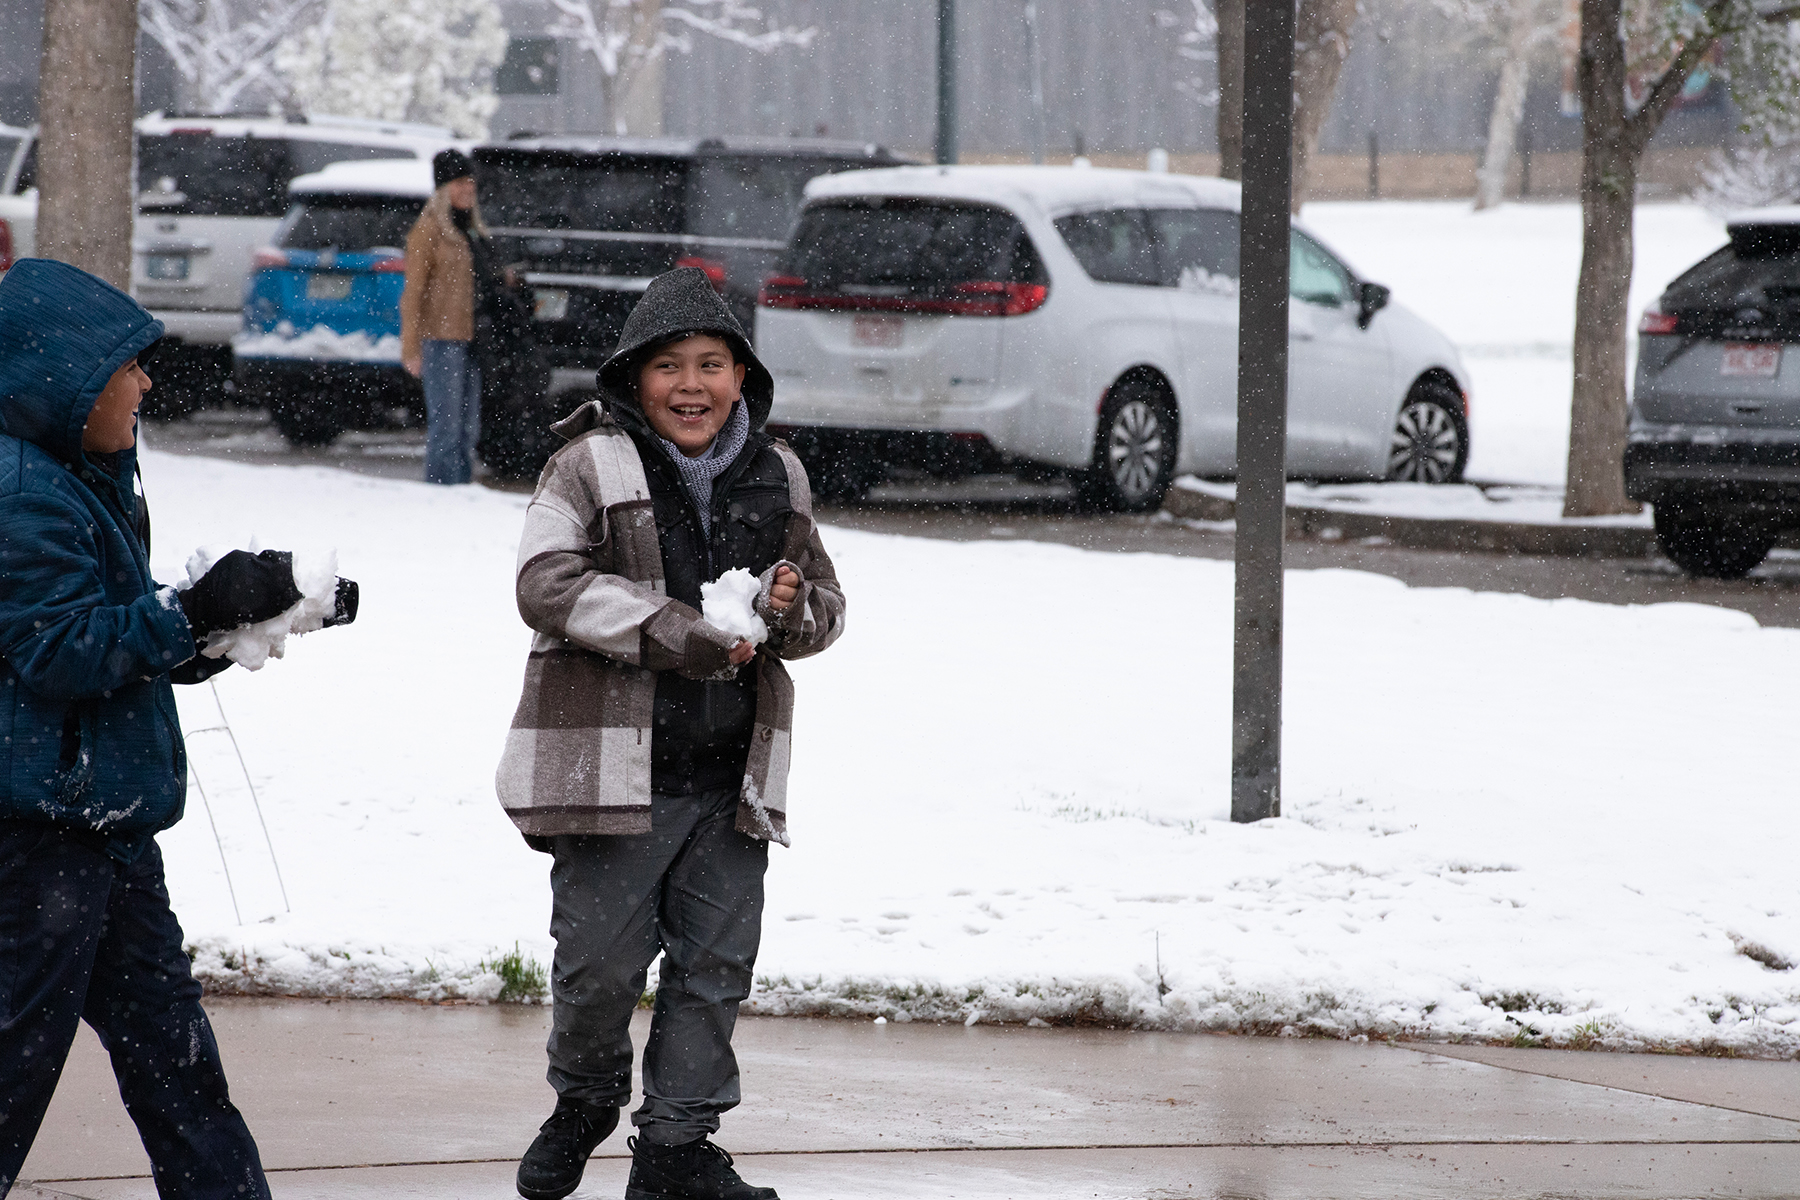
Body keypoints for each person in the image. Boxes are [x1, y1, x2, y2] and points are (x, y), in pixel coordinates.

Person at [495, 267, 846, 1200]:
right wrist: (676, 631)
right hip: (615, 777)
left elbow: (826, 607)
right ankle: (584, 1100)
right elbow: (544, 581)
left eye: (712, 365)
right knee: (599, 970)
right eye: (669, 368)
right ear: (632, 378)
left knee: (713, 971)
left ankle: (676, 1150)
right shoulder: (587, 464)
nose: (692, 386)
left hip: (731, 774)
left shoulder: (781, 474)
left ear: (742, 376)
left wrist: (790, 605)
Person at [0, 259, 315, 1197]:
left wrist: (247, 615)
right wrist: (185, 611)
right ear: (60, 377)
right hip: (42, 839)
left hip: (107, 824)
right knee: (14, 1070)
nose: (144, 383)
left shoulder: (87, 477)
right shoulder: (23, 493)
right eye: (125, 367)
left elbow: (129, 648)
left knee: (177, 1066)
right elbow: (58, 653)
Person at [402, 147, 487, 485]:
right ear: (443, 188)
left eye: (470, 182)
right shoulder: (428, 231)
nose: (467, 189)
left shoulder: (473, 230)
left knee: (470, 426)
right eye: (459, 183)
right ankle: (439, 492)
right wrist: (411, 347)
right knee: (446, 426)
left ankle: (461, 492)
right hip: (441, 339)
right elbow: (413, 294)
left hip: (473, 338)